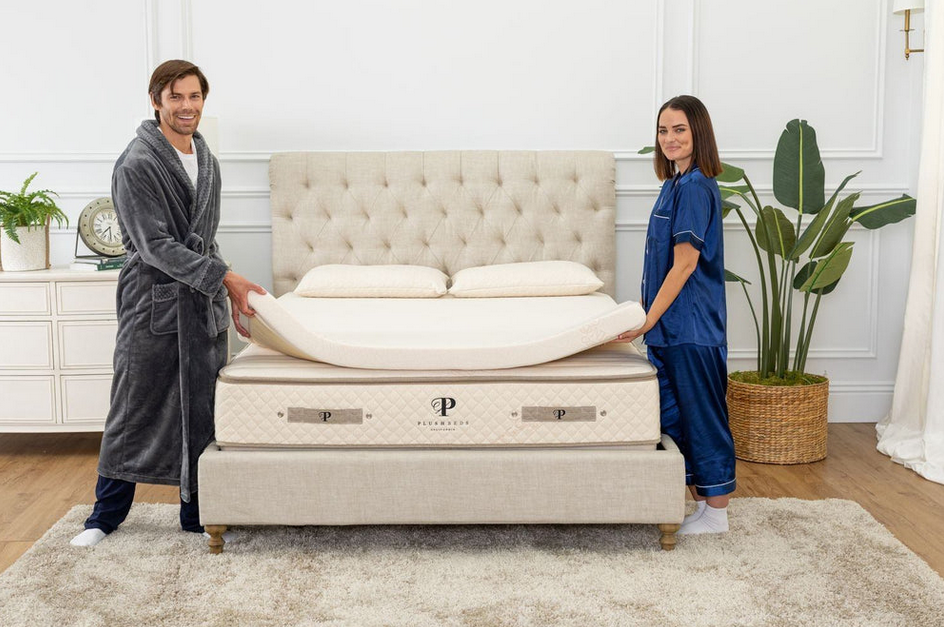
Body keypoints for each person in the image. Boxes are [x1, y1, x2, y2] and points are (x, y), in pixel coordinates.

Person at [71, 60, 265, 547]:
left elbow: (205, 240)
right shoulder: (137, 163)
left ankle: (197, 513)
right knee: (133, 407)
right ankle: (104, 516)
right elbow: (155, 246)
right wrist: (227, 279)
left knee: (201, 411)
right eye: (175, 96)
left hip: (200, 304)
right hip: (151, 302)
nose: (186, 106)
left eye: (194, 96)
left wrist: (224, 293)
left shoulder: (206, 158)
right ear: (156, 100)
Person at [613, 95, 735, 535]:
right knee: (676, 418)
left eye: (679, 129)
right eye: (663, 130)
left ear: (698, 132)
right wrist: (645, 317)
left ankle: (717, 513)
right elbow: (661, 263)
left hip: (692, 328)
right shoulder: (674, 184)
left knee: (703, 418)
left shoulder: (697, 186)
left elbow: (684, 264)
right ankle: (702, 505)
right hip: (669, 329)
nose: (669, 138)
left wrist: (646, 320)